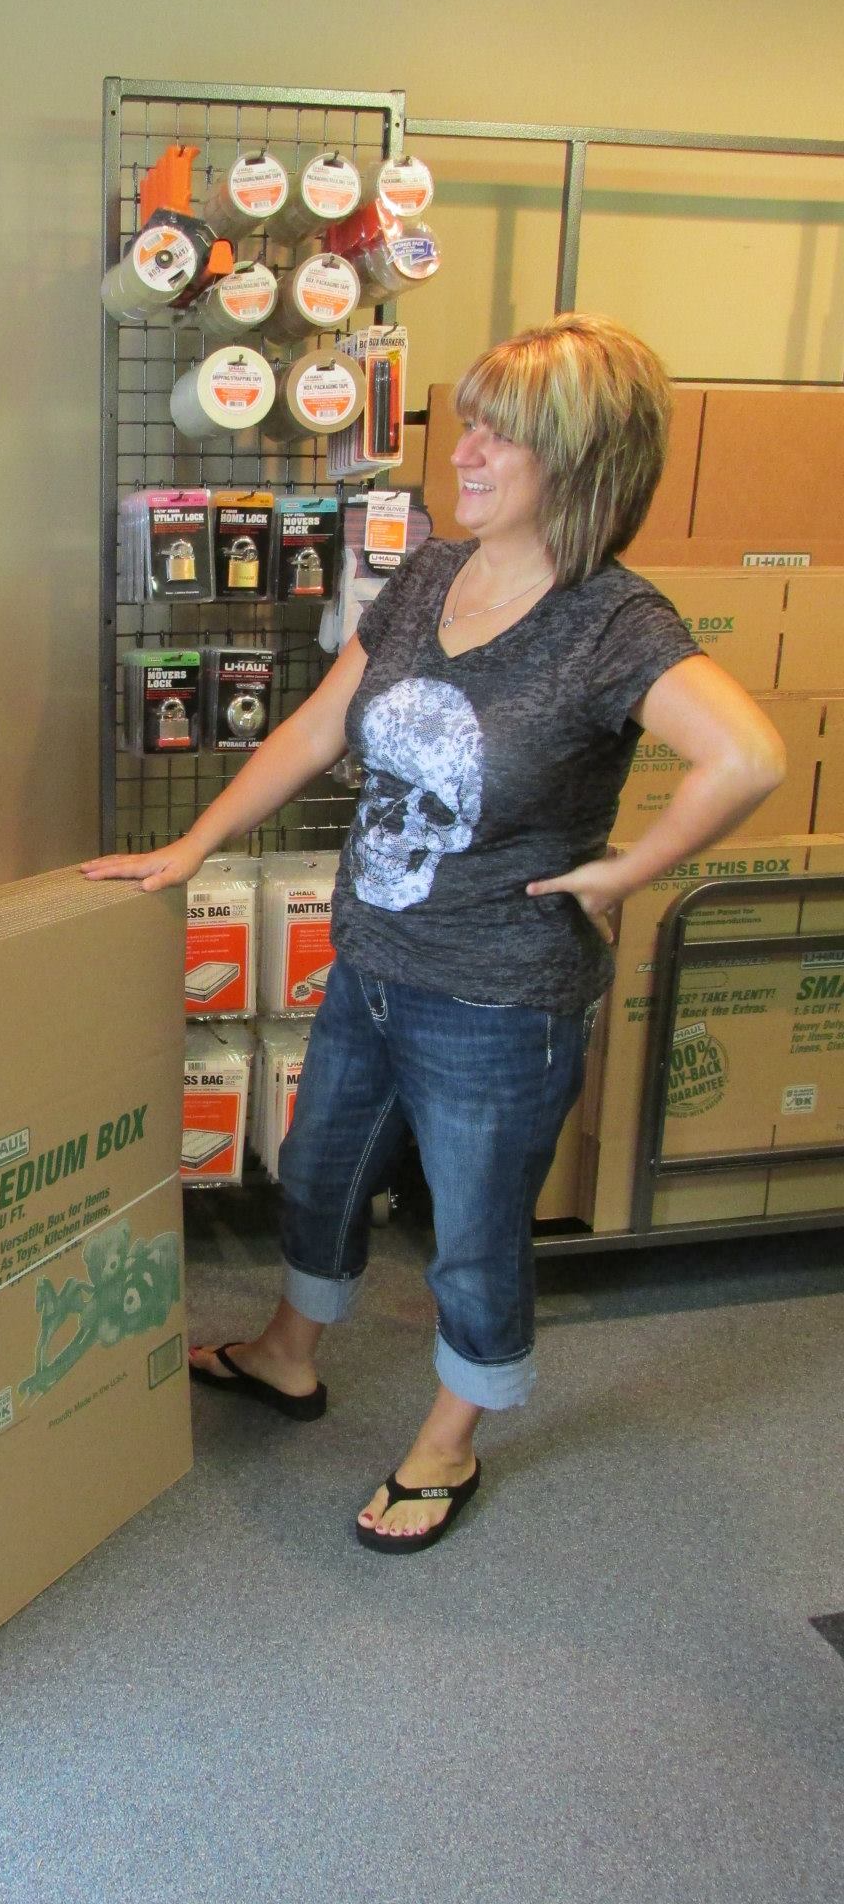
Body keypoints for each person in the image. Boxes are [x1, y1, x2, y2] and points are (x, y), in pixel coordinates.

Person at [83, 314, 786, 1555]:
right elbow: (316, 727)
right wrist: (194, 846)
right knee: (318, 1173)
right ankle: (289, 1349)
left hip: (501, 999)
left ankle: (452, 1438)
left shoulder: (613, 621)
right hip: (370, 961)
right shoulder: (426, 574)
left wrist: (628, 869)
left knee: (473, 1234)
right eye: (470, 422)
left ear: (581, 460)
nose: (463, 450)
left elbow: (747, 755)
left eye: (501, 434)